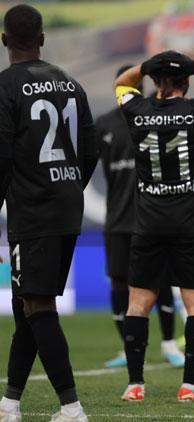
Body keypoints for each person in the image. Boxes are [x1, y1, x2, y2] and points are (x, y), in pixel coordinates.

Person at [114, 50, 194, 402]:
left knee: (138, 303)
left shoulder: (135, 111)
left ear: (153, 82)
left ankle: (135, 384)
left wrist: (147, 66)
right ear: (186, 81)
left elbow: (122, 83)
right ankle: (189, 386)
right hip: (190, 224)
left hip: (149, 223)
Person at [0, 4, 97, 421]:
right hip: (66, 208)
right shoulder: (71, 84)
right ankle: (10, 404)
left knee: (39, 307)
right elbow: (90, 152)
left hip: (34, 213)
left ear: (4, 40)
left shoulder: (4, 88)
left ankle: (71, 408)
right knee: (30, 305)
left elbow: (2, 159)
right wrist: (69, 188)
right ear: (42, 38)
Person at [96, 65, 185, 369]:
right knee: (120, 284)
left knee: (160, 283)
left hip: (153, 218)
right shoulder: (105, 124)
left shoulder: (155, 117)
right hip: (118, 219)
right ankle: (127, 348)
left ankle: (169, 343)